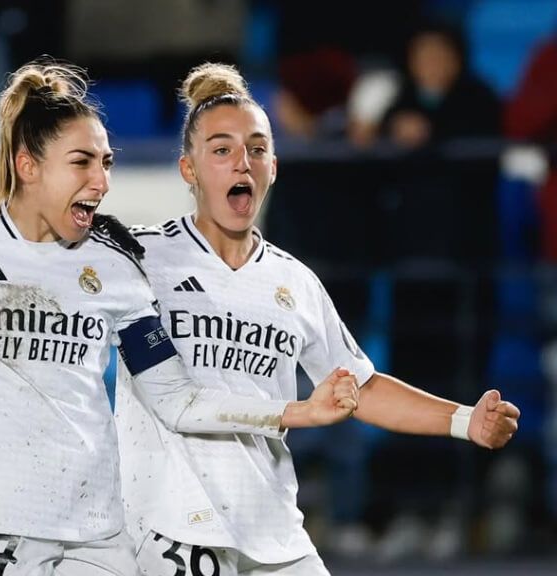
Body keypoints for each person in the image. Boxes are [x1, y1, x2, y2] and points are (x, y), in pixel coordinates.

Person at [0, 59, 360, 576]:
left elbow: (176, 399)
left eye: (106, 163)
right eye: (83, 162)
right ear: (28, 166)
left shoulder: (116, 268)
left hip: (95, 532)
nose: (101, 180)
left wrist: (295, 413)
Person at [117, 62, 522, 575]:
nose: (243, 163)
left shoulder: (296, 283)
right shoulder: (138, 260)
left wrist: (465, 421)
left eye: (257, 149)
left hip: (274, 534)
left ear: (275, 167)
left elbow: (360, 387)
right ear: (188, 170)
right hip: (172, 533)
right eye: (221, 150)